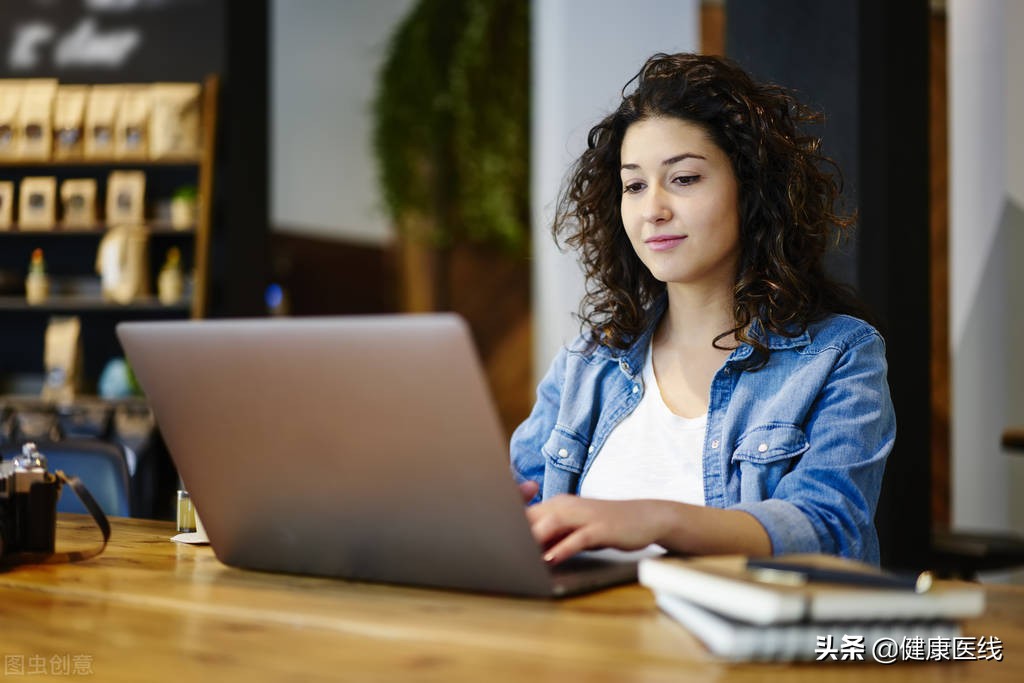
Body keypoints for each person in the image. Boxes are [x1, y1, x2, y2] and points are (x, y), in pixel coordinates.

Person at [510, 53, 895, 566]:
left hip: (748, 646)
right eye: (634, 185)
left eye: (684, 178)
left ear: (752, 190)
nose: (653, 210)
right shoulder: (589, 362)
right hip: (582, 640)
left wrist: (655, 519)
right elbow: (519, 510)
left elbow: (829, 527)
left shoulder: (839, 356)